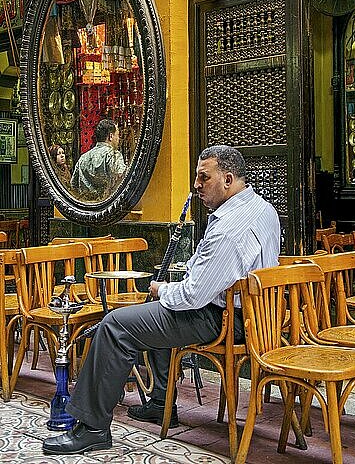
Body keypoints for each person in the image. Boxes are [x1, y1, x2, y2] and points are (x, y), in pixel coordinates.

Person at [43, 145, 280, 456]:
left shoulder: (229, 228)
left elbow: (194, 295)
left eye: (203, 177)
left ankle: (93, 427)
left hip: (222, 320)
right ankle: (159, 402)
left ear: (228, 179)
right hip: (258, 318)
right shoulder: (263, 209)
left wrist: (162, 290)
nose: (196, 185)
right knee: (153, 317)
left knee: (116, 325)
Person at [70, 118, 126, 200]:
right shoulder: (113, 155)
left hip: (86, 207)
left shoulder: (83, 158)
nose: (118, 139)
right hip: (108, 207)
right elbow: (122, 180)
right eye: (117, 135)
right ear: (110, 136)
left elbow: (73, 185)